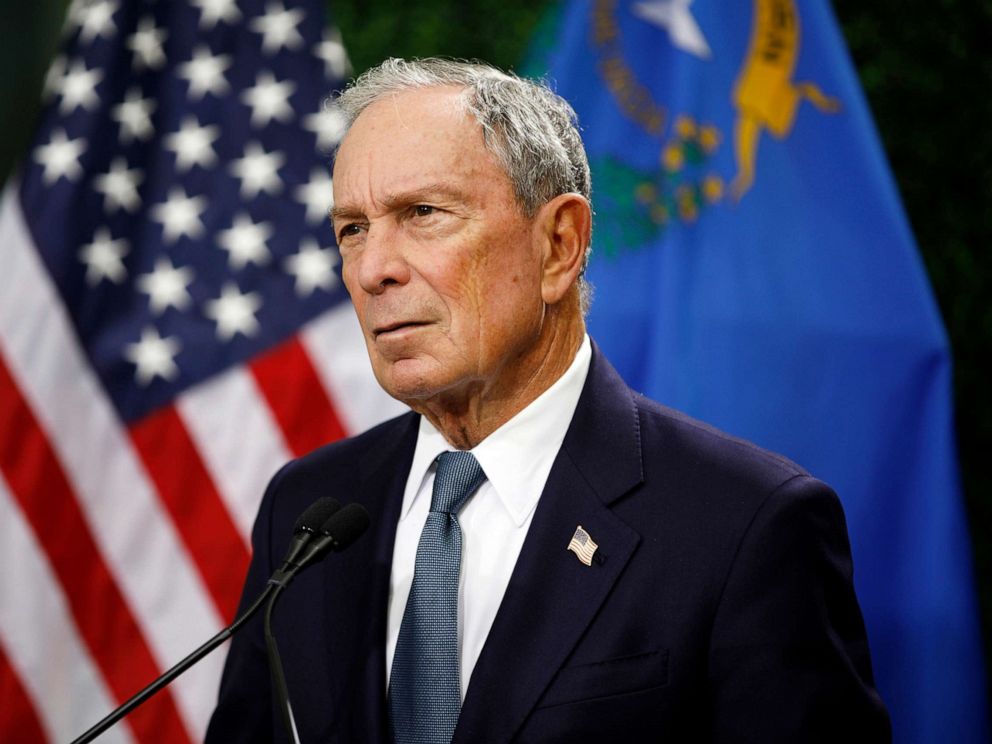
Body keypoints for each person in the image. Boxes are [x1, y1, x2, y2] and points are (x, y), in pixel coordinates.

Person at [206, 58, 890, 743]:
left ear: (559, 246)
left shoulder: (744, 525)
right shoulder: (307, 512)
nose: (372, 269)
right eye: (352, 229)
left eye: (423, 213)